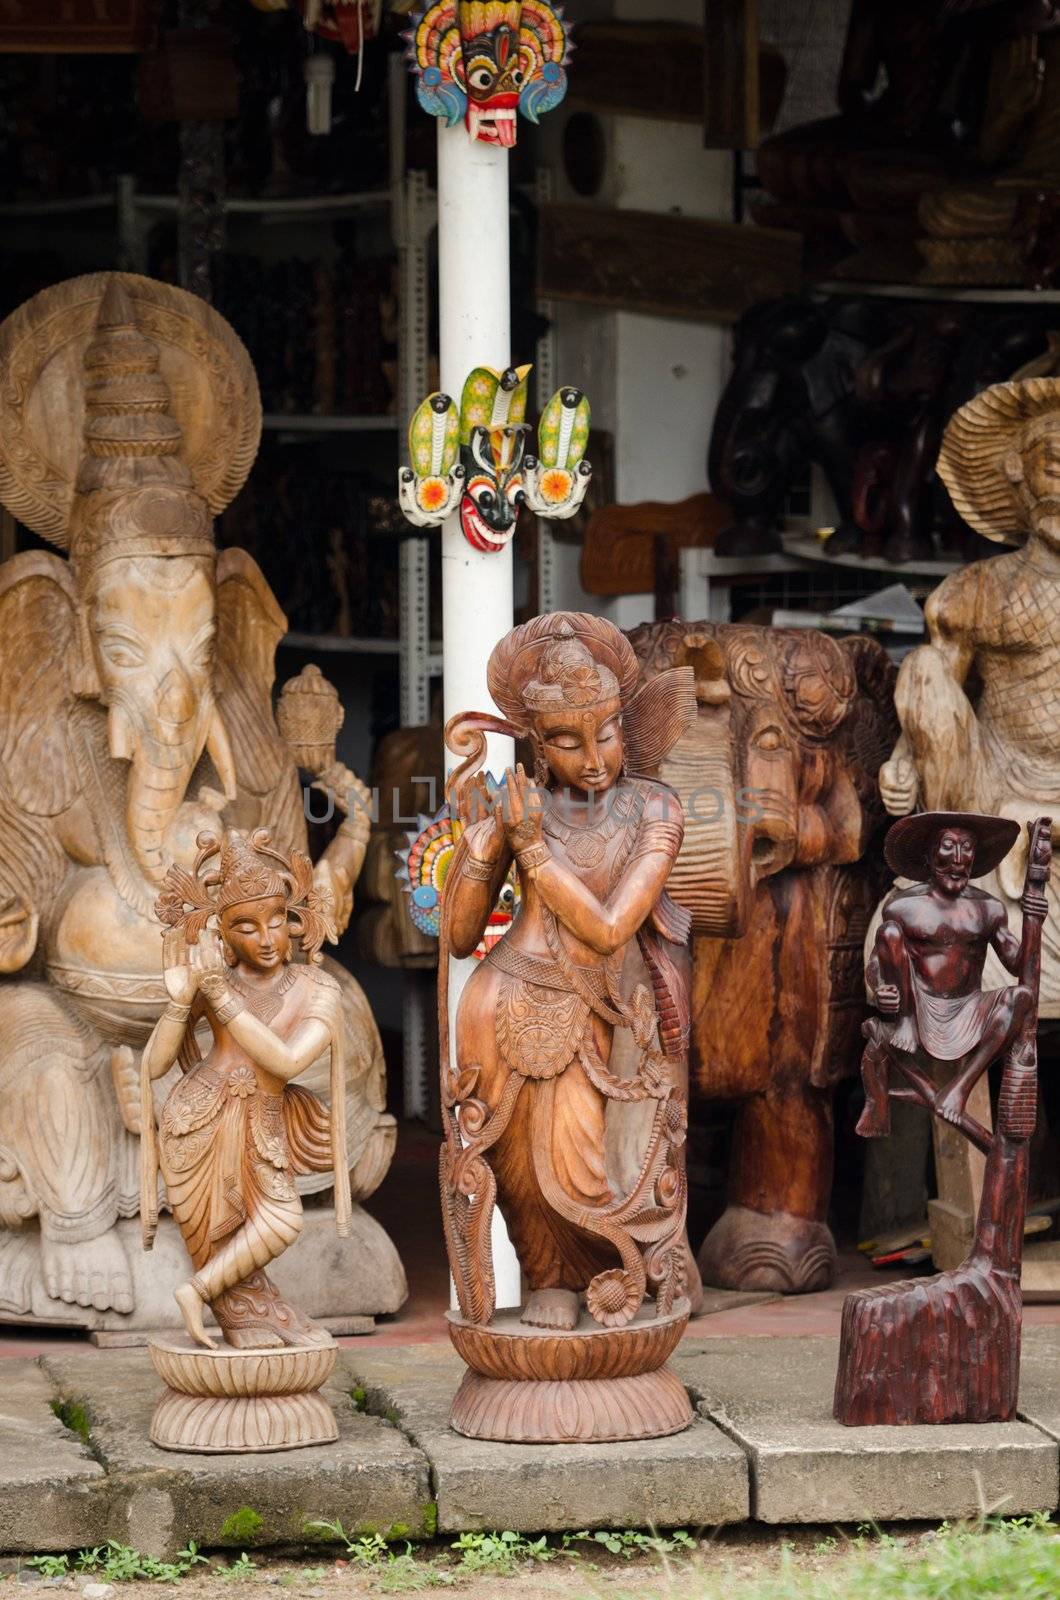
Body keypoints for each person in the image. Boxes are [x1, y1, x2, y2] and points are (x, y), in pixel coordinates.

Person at [439, 613, 697, 1333]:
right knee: (517, 1165)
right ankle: (546, 1276)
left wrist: (534, 852)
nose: (592, 758)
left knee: (586, 1161)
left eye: (607, 734)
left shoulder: (654, 808)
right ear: (535, 745)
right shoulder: (521, 808)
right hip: (500, 1001)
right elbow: (461, 936)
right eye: (566, 740)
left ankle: (611, 1274)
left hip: (595, 1008)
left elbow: (612, 926)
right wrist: (487, 847)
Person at [141, 828, 350, 1350]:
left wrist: (218, 996)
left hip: (264, 1121)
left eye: (276, 921)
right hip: (198, 1119)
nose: (265, 938)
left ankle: (198, 1292)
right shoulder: (215, 981)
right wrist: (178, 1002)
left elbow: (288, 1060)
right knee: (223, 1240)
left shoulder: (317, 988)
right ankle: (237, 1312)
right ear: (222, 934)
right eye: (245, 927)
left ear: (294, 920)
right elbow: (153, 1066)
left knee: (280, 1219)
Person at [859, 811, 1043, 1140]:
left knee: (1022, 998)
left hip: (969, 1009)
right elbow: (877, 962)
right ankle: (881, 1092)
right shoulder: (903, 907)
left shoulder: (989, 909)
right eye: (948, 847)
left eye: (967, 848)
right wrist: (882, 987)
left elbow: (1020, 967)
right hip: (916, 1008)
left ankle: (960, 1087)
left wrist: (1033, 920)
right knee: (888, 933)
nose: (958, 860)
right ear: (930, 856)